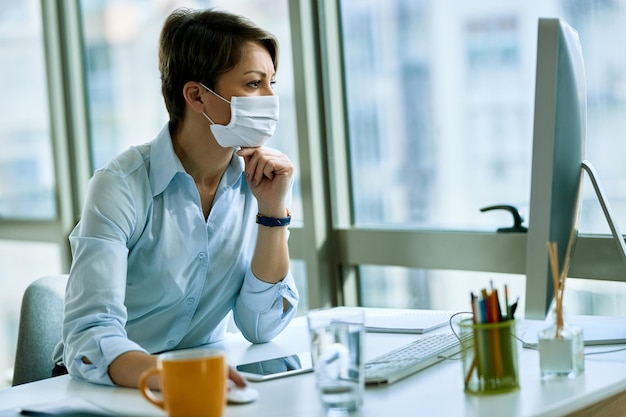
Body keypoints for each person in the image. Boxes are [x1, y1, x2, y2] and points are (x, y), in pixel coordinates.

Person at [52, 7, 299, 389]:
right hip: (107, 387)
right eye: (254, 84)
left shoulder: (257, 183)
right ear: (197, 96)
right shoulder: (120, 185)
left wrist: (272, 215)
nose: (270, 99)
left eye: (272, 83)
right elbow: (89, 335)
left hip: (199, 385)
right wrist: (175, 379)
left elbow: (261, 326)